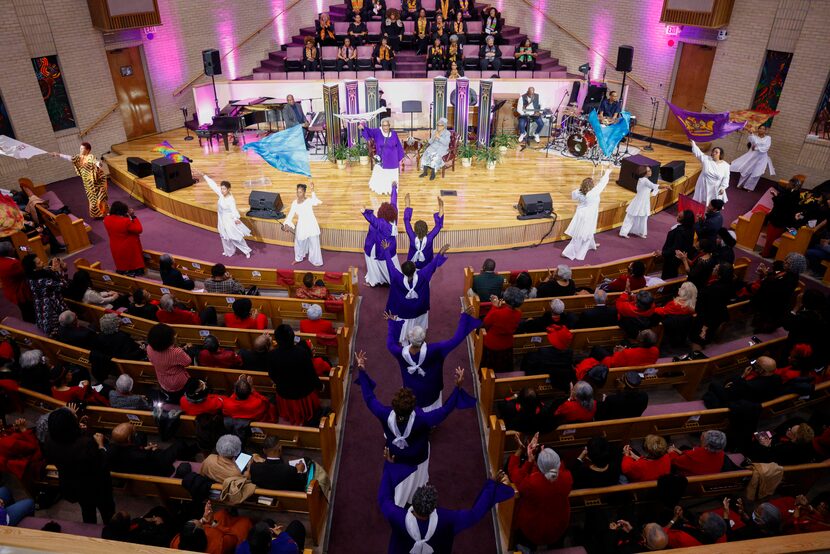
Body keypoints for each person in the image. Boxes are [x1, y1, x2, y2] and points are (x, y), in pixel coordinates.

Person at [355, 351, 473, 506]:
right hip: (418, 457)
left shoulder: (384, 414)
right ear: (412, 407)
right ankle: (414, 495)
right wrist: (457, 388)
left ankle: (398, 498)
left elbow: (369, 398)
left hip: (395, 456)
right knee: (418, 478)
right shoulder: (423, 420)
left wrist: (362, 371)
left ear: (394, 405)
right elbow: (445, 410)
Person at [379, 472, 513, 553]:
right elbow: (474, 514)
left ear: (413, 502)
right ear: (433, 508)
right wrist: (492, 487)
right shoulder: (447, 519)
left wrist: (390, 468)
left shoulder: (397, 516)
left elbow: (384, 499)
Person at [385, 307, 480, 410]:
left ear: (409, 338)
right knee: (434, 411)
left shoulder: (400, 353)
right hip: (432, 389)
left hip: (411, 392)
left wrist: (392, 323)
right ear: (423, 337)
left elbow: (390, 343)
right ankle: (433, 423)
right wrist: (464, 318)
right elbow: (455, 340)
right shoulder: (436, 350)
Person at [44, 407, 114, 523]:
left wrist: (80, 430)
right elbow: (102, 463)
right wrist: (101, 445)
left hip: (73, 484)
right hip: (96, 486)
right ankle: (111, 529)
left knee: (87, 511)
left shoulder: (49, 440)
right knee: (107, 511)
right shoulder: (86, 444)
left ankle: (88, 532)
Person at [507, 440, 572, 548]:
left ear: (537, 464)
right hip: (559, 525)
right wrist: (546, 453)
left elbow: (513, 471)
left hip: (532, 527)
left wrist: (529, 460)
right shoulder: (567, 477)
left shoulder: (531, 483)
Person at [381, 239, 448, 342]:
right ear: (415, 268)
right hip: (419, 308)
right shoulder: (423, 275)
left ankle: (404, 339)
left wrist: (386, 250)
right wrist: (440, 253)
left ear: (402, 271)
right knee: (419, 324)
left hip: (403, 310)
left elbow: (390, 265)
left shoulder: (396, 277)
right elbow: (432, 265)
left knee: (403, 330)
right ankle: (418, 337)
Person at [268, 325, 322, 425]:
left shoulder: (272, 355)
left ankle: (291, 416)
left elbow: (272, 374)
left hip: (285, 392)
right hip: (303, 392)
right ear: (293, 337)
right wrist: (320, 385)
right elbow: (311, 373)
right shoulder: (302, 353)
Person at [562, 167, 613, 260]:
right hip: (588, 216)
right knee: (581, 235)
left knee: (587, 232)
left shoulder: (578, 191)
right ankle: (569, 253)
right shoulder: (594, 192)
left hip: (580, 214)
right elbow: (602, 183)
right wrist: (608, 172)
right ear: (592, 185)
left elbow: (573, 196)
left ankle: (591, 245)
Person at [49, 142, 108, 218]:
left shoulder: (90, 156)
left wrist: (98, 164)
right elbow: (70, 158)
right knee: (92, 198)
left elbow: (94, 161)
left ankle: (104, 213)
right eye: (80, 148)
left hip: (97, 181)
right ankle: (96, 213)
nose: (80, 150)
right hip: (87, 182)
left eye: (82, 148)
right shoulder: (79, 157)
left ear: (87, 150)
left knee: (100, 197)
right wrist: (58, 154)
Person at [170, 501, 252, 552]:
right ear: (201, 534)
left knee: (222, 514)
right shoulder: (219, 546)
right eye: (201, 524)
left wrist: (204, 519)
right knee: (245, 522)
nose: (200, 521)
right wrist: (213, 523)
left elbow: (195, 527)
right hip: (224, 534)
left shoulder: (175, 543)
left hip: (212, 527)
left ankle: (230, 515)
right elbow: (233, 537)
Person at [107, 422, 183, 477]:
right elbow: (163, 459)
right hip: (156, 472)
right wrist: (155, 450)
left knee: (141, 435)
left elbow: (132, 451)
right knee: (180, 444)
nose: (136, 432)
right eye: (134, 432)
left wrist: (144, 448)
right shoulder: (144, 456)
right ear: (129, 439)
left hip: (130, 465)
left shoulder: (109, 450)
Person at [204, 176, 252, 258]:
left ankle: (247, 251)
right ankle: (229, 251)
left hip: (229, 219)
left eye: (224, 189)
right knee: (224, 236)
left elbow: (234, 210)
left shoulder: (231, 200)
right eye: (221, 188)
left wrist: (236, 218)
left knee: (234, 236)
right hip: (221, 218)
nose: (222, 191)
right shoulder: (221, 194)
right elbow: (214, 186)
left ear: (229, 189)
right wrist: (205, 177)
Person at [363, 185, 401, 286]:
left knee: (374, 263)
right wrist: (393, 187)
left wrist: (364, 212)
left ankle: (374, 280)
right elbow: (394, 201)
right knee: (390, 264)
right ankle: (392, 280)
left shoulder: (381, 224)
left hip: (378, 247)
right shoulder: (394, 219)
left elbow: (372, 220)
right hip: (391, 247)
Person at [21, 254, 68, 336]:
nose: (42, 262)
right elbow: (64, 285)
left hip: (41, 306)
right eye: (39, 263)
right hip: (51, 309)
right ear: (34, 268)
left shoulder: (31, 277)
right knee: (64, 325)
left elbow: (46, 272)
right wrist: (58, 271)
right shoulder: (41, 280)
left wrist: (53, 269)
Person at [481, 287, 524, 372]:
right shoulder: (519, 313)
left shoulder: (497, 313)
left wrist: (494, 307)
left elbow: (486, 322)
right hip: (507, 343)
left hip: (492, 344)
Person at [146, 323, 191, 403]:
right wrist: (177, 347)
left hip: (162, 379)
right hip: (178, 382)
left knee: (173, 397)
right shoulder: (176, 352)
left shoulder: (149, 348)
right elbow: (187, 362)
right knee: (182, 397)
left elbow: (151, 361)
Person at [620, 166, 668, 238]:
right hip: (639, 201)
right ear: (644, 173)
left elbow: (651, 188)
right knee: (631, 216)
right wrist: (665, 186)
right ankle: (623, 232)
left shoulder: (644, 180)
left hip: (644, 201)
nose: (650, 172)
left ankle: (639, 232)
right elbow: (653, 186)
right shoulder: (644, 180)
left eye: (650, 170)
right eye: (648, 171)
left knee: (643, 217)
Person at [282, 183, 323, 267]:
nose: (298, 194)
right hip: (302, 225)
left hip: (311, 224)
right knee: (299, 242)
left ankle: (316, 261)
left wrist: (312, 190)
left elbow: (315, 202)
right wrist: (286, 224)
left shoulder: (309, 201)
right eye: (297, 192)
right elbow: (290, 214)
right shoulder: (294, 203)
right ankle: (298, 258)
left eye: (300, 192)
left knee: (314, 243)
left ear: (304, 192)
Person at [360, 119, 404, 195]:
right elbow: (368, 132)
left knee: (392, 174)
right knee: (382, 173)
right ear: (381, 126)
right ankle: (382, 189)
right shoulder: (377, 132)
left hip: (392, 158)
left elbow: (398, 145)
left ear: (389, 126)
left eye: (387, 125)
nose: (385, 127)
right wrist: (363, 127)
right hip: (382, 158)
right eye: (383, 125)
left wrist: (400, 157)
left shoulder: (394, 134)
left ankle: (392, 189)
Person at [761, 177, 802, 258]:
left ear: (791, 185)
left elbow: (780, 204)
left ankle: (766, 254)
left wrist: (775, 196)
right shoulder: (796, 194)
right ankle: (770, 252)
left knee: (770, 238)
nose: (787, 184)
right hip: (785, 219)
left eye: (789, 183)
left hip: (778, 219)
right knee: (774, 237)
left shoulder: (788, 194)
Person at [103, 201, 144, 276]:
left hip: (114, 243)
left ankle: (122, 270)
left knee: (121, 260)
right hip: (127, 245)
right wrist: (133, 216)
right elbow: (139, 229)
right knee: (132, 260)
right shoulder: (125, 221)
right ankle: (136, 270)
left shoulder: (106, 219)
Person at [403, 194, 444, 269]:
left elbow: (406, 220)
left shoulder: (412, 237)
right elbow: (438, 226)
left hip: (412, 266)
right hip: (426, 266)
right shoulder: (429, 238)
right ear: (427, 230)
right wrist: (441, 206)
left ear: (414, 230)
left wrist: (407, 203)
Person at [749, 422, 816, 466]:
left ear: (794, 439)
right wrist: (760, 435)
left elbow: (770, 460)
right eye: (790, 428)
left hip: (766, 458)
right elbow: (775, 432)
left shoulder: (787, 450)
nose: (788, 429)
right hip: (769, 443)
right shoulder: (792, 434)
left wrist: (767, 446)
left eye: (790, 431)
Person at [733, 125, 775, 191]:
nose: (761, 130)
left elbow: (766, 148)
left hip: (762, 158)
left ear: (765, 131)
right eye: (760, 128)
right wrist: (751, 133)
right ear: (758, 129)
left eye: (763, 129)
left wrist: (756, 148)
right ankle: (740, 184)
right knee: (746, 170)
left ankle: (748, 187)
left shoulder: (768, 138)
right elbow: (753, 141)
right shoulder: (753, 137)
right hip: (752, 156)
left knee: (756, 172)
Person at [0, 242, 33, 323]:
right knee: (28, 310)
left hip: (10, 289)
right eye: (12, 248)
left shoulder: (3, 261)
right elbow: (27, 271)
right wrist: (31, 255)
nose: (14, 249)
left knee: (24, 309)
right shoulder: (13, 264)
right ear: (9, 252)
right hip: (20, 292)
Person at [659, 209, 696, 280]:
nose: (677, 216)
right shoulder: (691, 228)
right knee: (672, 272)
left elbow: (675, 248)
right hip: (678, 257)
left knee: (667, 276)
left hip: (672, 258)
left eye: (679, 217)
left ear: (684, 220)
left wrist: (662, 253)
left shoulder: (680, 232)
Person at [691, 141, 730, 206]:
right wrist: (692, 142)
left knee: (711, 204)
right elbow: (698, 153)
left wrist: (723, 187)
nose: (714, 153)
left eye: (716, 152)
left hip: (715, 187)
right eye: (713, 151)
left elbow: (726, 178)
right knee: (699, 203)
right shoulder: (706, 159)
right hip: (703, 184)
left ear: (720, 154)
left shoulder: (726, 165)